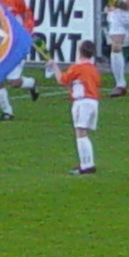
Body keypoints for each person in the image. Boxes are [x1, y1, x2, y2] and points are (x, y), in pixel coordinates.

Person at [49, 39, 101, 175]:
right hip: (93, 101)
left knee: (80, 133)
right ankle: (86, 162)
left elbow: (62, 80)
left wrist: (54, 66)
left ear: (80, 52)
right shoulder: (94, 69)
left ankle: (86, 165)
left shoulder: (77, 68)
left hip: (82, 102)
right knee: (83, 132)